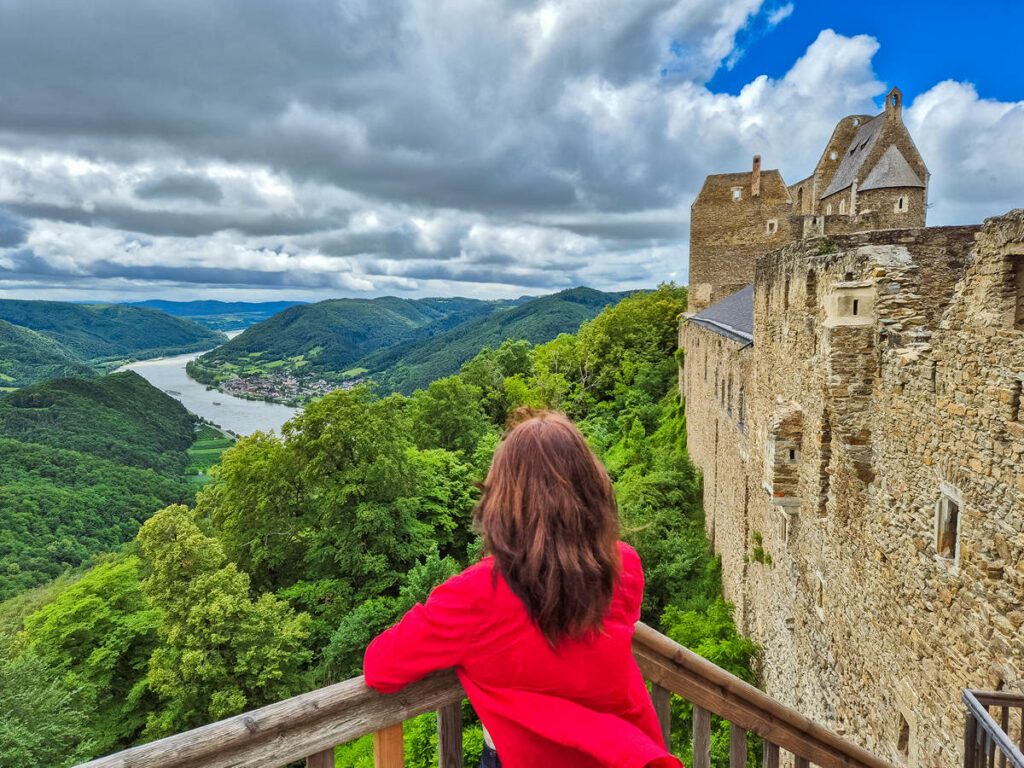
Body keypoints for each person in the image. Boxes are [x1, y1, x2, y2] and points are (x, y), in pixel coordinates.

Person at [363, 409, 683, 768]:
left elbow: (380, 667)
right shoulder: (622, 566)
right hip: (615, 754)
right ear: (591, 490)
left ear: (502, 499)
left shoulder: (475, 595)